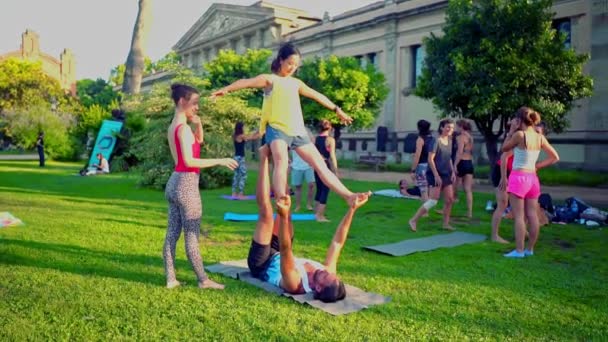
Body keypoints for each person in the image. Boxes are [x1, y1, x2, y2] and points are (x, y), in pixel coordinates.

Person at [210, 42, 358, 209]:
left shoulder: (297, 83)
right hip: (277, 129)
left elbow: (317, 95)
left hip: (298, 130)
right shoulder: (270, 80)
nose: (292, 68)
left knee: (321, 165)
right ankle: (281, 198)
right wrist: (226, 89)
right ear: (281, 60)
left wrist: (337, 109)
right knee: (282, 161)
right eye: (289, 63)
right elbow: (246, 81)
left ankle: (349, 196)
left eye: (295, 65)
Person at [247, 146, 370, 302]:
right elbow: (338, 243)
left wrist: (283, 216)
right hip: (280, 252)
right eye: (331, 274)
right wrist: (352, 209)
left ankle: (264, 157)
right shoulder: (327, 273)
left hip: (262, 262)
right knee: (285, 202)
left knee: (266, 214)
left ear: (317, 288)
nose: (327, 272)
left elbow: (286, 249)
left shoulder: (294, 283)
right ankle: (278, 160)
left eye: (326, 276)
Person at [163, 83, 238, 289]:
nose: (197, 107)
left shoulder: (174, 126)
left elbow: (198, 143)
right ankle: (203, 280)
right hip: (186, 185)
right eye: (194, 103)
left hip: (174, 183)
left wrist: (199, 124)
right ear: (181, 102)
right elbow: (189, 161)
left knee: (172, 234)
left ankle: (171, 279)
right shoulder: (183, 129)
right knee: (192, 235)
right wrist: (221, 160)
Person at [500, 107, 559, 258]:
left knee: (519, 216)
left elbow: (504, 148)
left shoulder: (520, 135)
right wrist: (537, 166)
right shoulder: (540, 137)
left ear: (519, 120)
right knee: (532, 215)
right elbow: (555, 157)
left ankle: (519, 251)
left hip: (519, 177)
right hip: (533, 179)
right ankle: (529, 249)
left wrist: (510, 131)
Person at [408, 119, 456, 232]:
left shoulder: (449, 140)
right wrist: (436, 175)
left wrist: (453, 171)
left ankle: (445, 224)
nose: (450, 129)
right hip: (435, 174)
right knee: (433, 200)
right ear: (442, 128)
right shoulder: (436, 141)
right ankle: (413, 220)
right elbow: (430, 159)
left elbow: (449, 158)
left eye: (452, 127)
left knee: (449, 199)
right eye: (448, 127)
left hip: (446, 174)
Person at [490, 118, 516, 244]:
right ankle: (494, 236)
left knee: (516, 205)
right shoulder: (512, 137)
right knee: (503, 203)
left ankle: (523, 231)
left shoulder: (522, 136)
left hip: (513, 173)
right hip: (502, 172)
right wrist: (503, 177)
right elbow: (504, 156)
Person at [314, 119, 338, 222]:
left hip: (317, 166)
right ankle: (320, 216)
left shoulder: (315, 139)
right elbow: (332, 156)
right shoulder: (330, 140)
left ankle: (317, 213)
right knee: (325, 190)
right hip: (326, 166)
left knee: (319, 189)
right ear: (330, 128)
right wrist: (335, 171)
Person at [232, 122, 260, 199]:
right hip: (240, 158)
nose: (244, 128)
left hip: (236, 157)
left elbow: (251, 136)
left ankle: (234, 193)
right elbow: (253, 137)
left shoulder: (235, 135)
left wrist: (257, 132)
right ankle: (240, 193)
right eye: (243, 127)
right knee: (243, 175)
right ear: (241, 128)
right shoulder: (241, 136)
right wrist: (259, 131)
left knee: (236, 175)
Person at [454, 119, 475, 218]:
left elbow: (459, 152)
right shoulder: (470, 137)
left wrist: (455, 165)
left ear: (461, 127)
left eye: (457, 126)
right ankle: (469, 212)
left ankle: (448, 208)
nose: (456, 128)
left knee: (454, 186)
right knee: (468, 189)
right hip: (469, 163)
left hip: (461, 162)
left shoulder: (461, 137)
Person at [410, 120, 433, 204]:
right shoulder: (432, 138)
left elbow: (417, 155)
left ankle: (425, 212)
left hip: (422, 166)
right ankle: (426, 209)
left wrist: (413, 170)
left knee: (423, 190)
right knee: (429, 189)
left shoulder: (420, 139)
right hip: (431, 165)